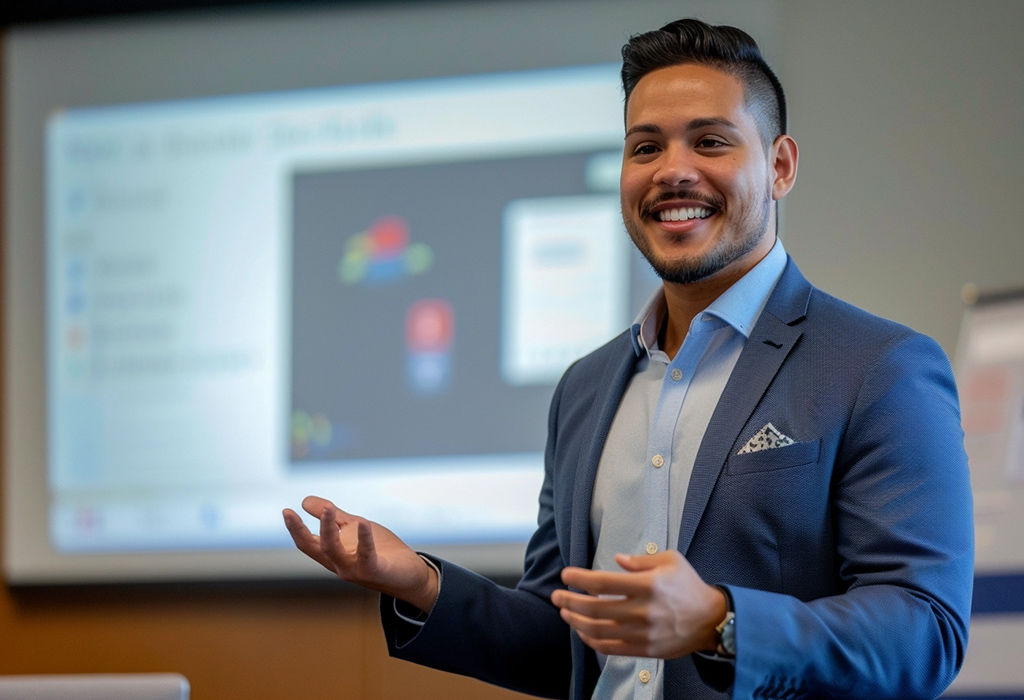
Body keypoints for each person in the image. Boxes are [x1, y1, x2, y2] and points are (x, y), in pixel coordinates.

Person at [283, 18, 973, 700]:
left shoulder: (879, 367)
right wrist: (421, 584)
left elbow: (926, 633)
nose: (673, 172)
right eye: (645, 148)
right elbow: (565, 643)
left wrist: (720, 622)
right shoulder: (586, 387)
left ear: (781, 166)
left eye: (710, 142)